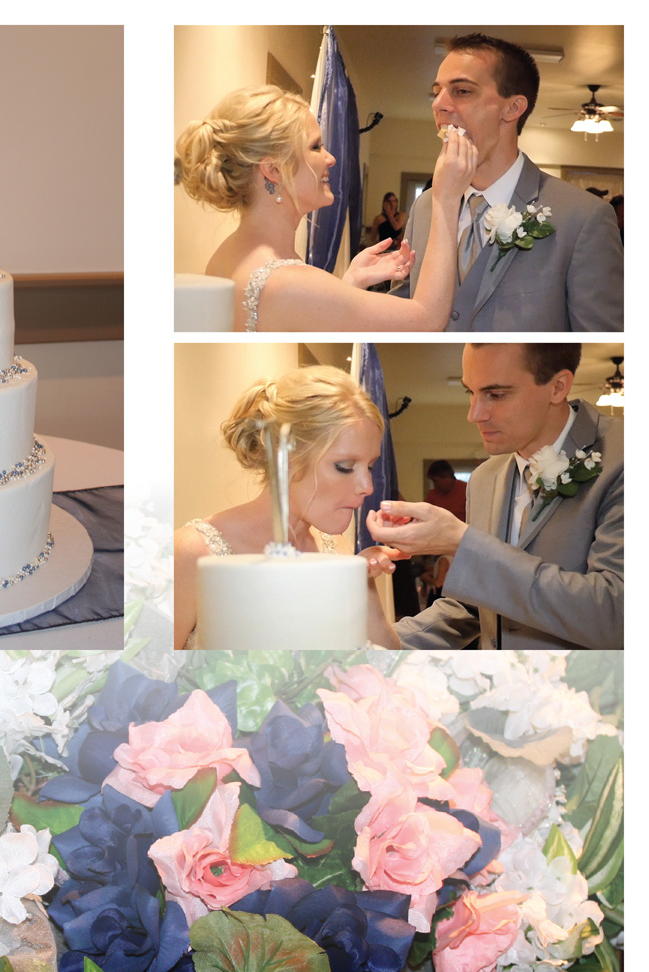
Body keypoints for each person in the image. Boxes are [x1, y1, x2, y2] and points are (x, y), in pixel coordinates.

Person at [367, 343, 623, 650]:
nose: (474, 414)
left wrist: (462, 542)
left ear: (557, 387)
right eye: (470, 392)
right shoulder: (484, 478)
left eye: (496, 394)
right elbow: (474, 607)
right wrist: (381, 645)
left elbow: (617, 615)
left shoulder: (624, 455)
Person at [174, 86, 477, 332]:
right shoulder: (289, 283)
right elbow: (426, 320)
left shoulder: (229, 254)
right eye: (315, 146)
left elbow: (288, 314)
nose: (330, 158)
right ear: (274, 170)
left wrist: (347, 286)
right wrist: (446, 199)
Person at [391, 34, 623, 331]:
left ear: (512, 108)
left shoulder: (583, 218)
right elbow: (403, 315)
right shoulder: (425, 207)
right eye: (437, 92)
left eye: (461, 91)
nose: (438, 104)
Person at [174, 366, 402, 649]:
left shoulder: (335, 550)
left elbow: (384, 664)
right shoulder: (190, 553)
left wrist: (361, 582)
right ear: (285, 459)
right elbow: (145, 671)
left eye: (370, 467)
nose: (367, 487)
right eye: (345, 466)